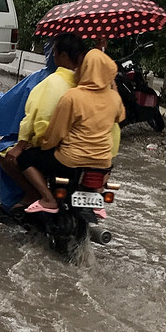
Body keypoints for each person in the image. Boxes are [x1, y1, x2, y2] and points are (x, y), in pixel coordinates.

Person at [19, 47, 125, 214]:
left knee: (25, 158)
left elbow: (56, 134)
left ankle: (48, 198)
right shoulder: (114, 98)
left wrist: (41, 144)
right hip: (102, 163)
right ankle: (97, 201)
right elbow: (120, 117)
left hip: (69, 162)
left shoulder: (73, 96)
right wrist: (111, 84)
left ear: (86, 69)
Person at [0, 32, 86, 200]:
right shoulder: (91, 85)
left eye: (54, 52)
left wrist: (22, 145)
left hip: (58, 152)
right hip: (94, 155)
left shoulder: (52, 82)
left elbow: (35, 119)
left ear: (62, 55)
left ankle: (36, 194)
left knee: (7, 155)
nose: (52, 56)